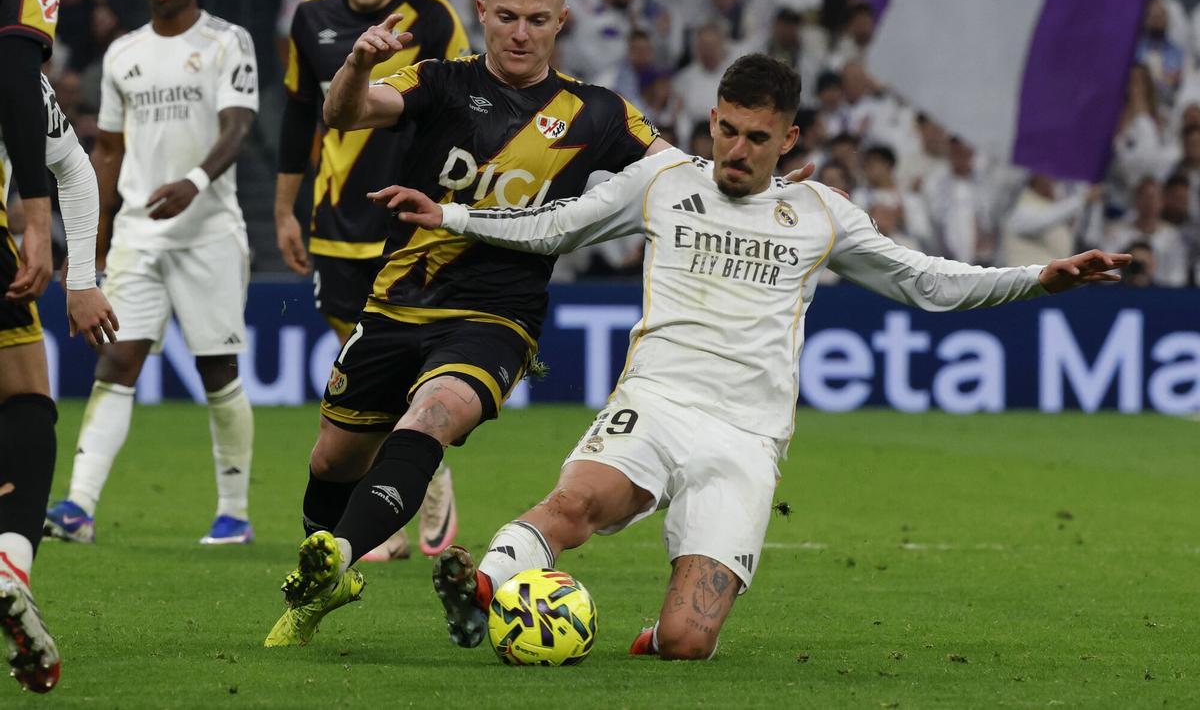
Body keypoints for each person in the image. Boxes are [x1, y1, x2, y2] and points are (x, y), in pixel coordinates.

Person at [374, 53, 1130, 659]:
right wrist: (452, 213)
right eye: (727, 130)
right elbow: (555, 225)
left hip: (745, 435)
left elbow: (925, 280)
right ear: (710, 120)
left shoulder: (819, 214)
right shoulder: (662, 181)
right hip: (657, 400)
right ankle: (479, 588)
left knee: (688, 642)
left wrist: (1040, 278)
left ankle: (646, 638)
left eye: (757, 138)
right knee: (576, 502)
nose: (737, 150)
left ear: (789, 139)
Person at [263, 0, 669, 647]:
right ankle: (323, 577)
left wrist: (777, 189)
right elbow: (345, 112)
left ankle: (339, 556)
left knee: (431, 415)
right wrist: (358, 63)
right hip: (399, 299)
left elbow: (680, 171)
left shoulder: (596, 113)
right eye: (505, 15)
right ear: (481, 13)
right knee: (332, 459)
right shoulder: (440, 82)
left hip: (496, 315)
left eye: (537, 19)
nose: (519, 32)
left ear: (561, 21)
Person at [44, 0, 259, 547]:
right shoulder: (124, 52)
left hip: (209, 231)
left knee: (217, 367)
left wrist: (194, 180)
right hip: (140, 229)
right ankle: (78, 507)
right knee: (118, 360)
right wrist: (98, 236)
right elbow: (107, 150)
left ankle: (234, 513)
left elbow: (239, 124)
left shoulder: (228, 41)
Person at [274, 0, 470, 563]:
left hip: (412, 223)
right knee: (362, 376)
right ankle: (400, 499)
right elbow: (300, 114)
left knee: (404, 370)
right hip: (335, 222)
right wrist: (283, 209)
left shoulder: (435, 18)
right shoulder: (310, 20)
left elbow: (469, 109)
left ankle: (415, 486)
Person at [1, 0, 118, 692]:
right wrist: (44, 233)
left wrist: (81, 278)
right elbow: (16, 73)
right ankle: (10, 560)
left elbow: (74, 163)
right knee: (25, 401)